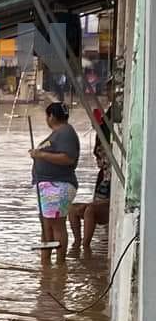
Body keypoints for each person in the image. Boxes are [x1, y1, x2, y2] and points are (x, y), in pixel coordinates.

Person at [31, 102, 81, 265]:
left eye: (47, 116)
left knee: (56, 226)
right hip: (48, 186)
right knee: (47, 226)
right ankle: (46, 264)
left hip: (57, 185)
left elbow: (68, 158)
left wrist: (41, 155)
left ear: (51, 116)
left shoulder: (65, 132)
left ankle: (59, 265)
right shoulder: (59, 133)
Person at [68, 144, 111, 255]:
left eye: (99, 158)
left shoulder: (113, 174)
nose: (97, 162)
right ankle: (77, 241)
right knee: (72, 209)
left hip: (108, 205)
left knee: (90, 210)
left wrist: (93, 204)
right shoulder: (102, 174)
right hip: (99, 203)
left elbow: (112, 200)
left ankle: (86, 245)